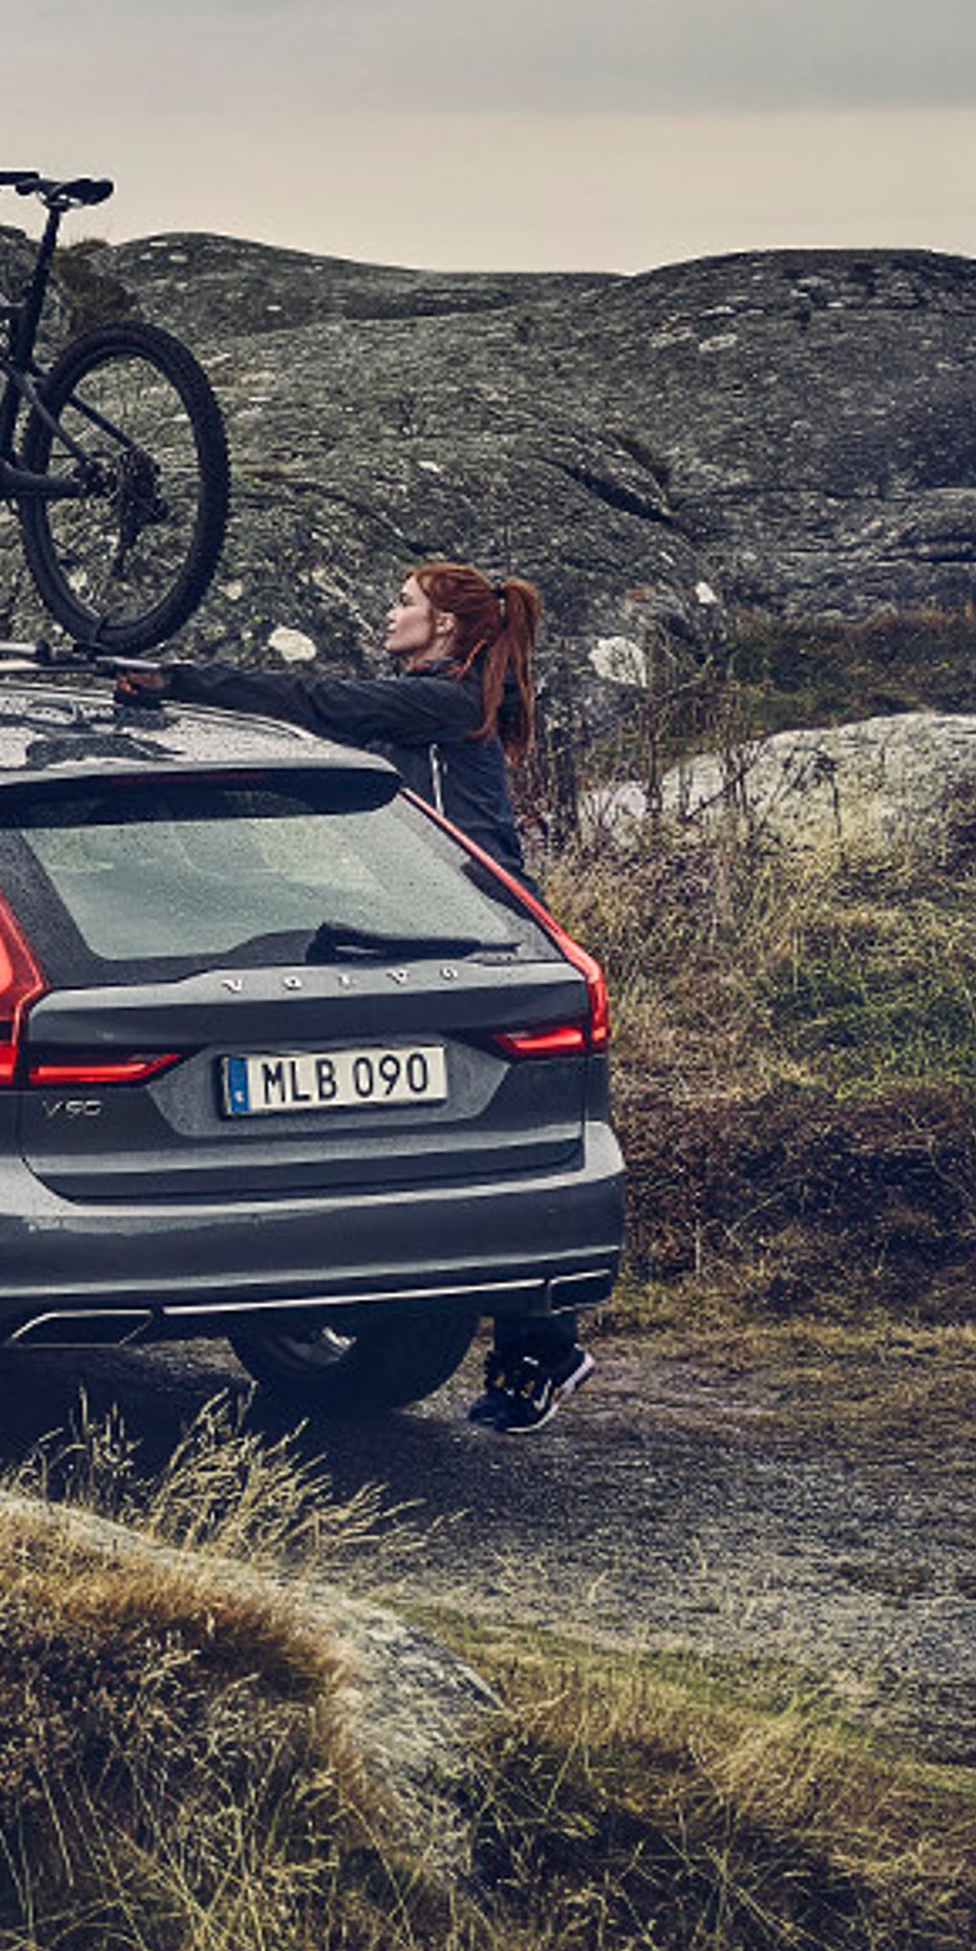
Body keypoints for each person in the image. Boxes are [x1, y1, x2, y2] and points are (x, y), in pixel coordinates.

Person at [119, 560, 595, 1431]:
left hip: (485, 933)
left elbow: (323, 702)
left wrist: (179, 679)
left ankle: (545, 1344)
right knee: (446, 1137)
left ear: (447, 627)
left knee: (498, 1139)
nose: (391, 613)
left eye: (406, 603)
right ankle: (475, 1322)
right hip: (439, 929)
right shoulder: (440, 699)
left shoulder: (445, 704)